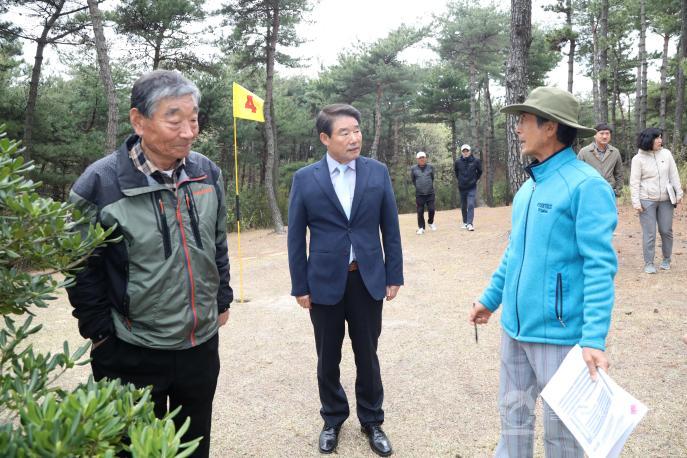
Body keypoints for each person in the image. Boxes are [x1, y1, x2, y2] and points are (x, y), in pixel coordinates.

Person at [66, 70, 232, 458]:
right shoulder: (99, 184)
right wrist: (101, 332)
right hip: (132, 348)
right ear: (138, 120)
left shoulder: (207, 173)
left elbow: (218, 240)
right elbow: (79, 266)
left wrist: (221, 297)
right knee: (132, 449)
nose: (189, 131)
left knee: (193, 444)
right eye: (174, 119)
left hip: (199, 344)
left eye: (193, 119)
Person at [469, 87, 618, 458]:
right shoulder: (528, 189)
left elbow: (600, 267)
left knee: (563, 436)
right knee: (513, 422)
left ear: (549, 127)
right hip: (515, 331)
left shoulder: (587, 186)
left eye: (524, 120)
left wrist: (594, 339)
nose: (518, 128)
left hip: (561, 337)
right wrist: (490, 300)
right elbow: (514, 254)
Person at [287, 103, 403, 456]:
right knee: (328, 356)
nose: (355, 138)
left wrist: (393, 273)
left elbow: (391, 227)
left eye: (357, 130)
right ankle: (333, 418)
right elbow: (295, 236)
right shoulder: (306, 178)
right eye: (345, 132)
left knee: (368, 353)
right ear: (325, 138)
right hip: (323, 281)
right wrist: (300, 285)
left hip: (367, 278)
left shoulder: (376, 172)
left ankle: (372, 420)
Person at [630, 127, 683, 274]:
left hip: (666, 199)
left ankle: (666, 259)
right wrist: (636, 202)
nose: (660, 140)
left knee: (666, 230)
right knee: (650, 233)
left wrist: (679, 193)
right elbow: (634, 182)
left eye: (660, 137)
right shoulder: (638, 159)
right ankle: (649, 263)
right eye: (657, 137)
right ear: (648, 140)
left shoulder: (666, 154)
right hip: (646, 200)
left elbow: (674, 174)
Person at [577, 122, 624, 197]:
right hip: (589, 192)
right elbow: (578, 173)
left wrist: (617, 190)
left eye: (607, 133)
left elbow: (619, 173)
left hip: (609, 191)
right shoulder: (584, 152)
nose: (605, 136)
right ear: (595, 135)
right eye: (601, 133)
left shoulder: (615, 152)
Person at [453, 144, 482, 231]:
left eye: (467, 151)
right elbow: (456, 172)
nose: (465, 152)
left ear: (470, 151)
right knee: (463, 205)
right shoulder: (458, 162)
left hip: (471, 186)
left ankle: (470, 224)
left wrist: (475, 179)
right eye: (464, 151)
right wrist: (460, 180)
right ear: (461, 152)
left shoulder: (476, 161)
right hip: (462, 187)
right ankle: (465, 222)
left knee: (470, 204)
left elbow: (480, 171)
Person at [410, 151, 436, 234]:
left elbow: (432, 178)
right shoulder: (413, 168)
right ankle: (421, 227)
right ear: (417, 159)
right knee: (420, 211)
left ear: (425, 158)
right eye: (420, 158)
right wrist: (419, 187)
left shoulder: (430, 167)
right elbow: (413, 180)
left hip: (430, 193)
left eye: (423, 157)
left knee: (432, 209)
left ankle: (430, 222)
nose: (422, 159)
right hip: (419, 194)